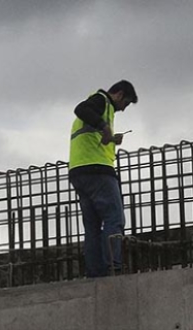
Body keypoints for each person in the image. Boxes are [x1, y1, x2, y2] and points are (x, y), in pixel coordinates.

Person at [68, 80, 138, 277]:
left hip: (79, 171)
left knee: (92, 226)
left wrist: (111, 137)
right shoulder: (101, 101)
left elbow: (91, 134)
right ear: (119, 95)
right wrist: (105, 127)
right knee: (114, 218)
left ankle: (95, 272)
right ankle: (113, 267)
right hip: (98, 171)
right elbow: (80, 109)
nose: (123, 110)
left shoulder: (99, 109)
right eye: (126, 103)